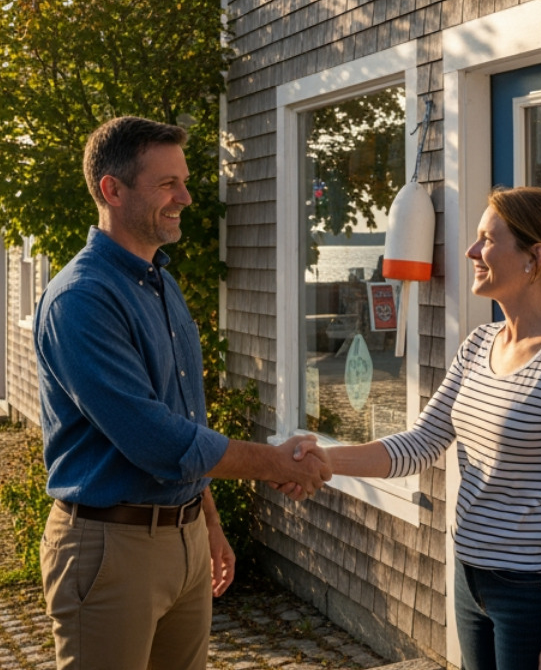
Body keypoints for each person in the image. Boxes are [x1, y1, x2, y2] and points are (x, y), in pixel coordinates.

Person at [35, 116, 332, 670]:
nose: (186, 197)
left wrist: (207, 522)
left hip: (185, 538)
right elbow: (155, 438)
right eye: (168, 183)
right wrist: (274, 462)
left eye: (185, 181)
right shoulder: (81, 299)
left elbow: (182, 418)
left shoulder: (160, 283)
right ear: (112, 189)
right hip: (110, 550)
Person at [303, 186, 541, 670]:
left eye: (487, 240)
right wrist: (325, 460)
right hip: (471, 581)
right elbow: (421, 443)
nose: (471, 252)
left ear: (535, 257)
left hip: (536, 593)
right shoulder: (479, 343)